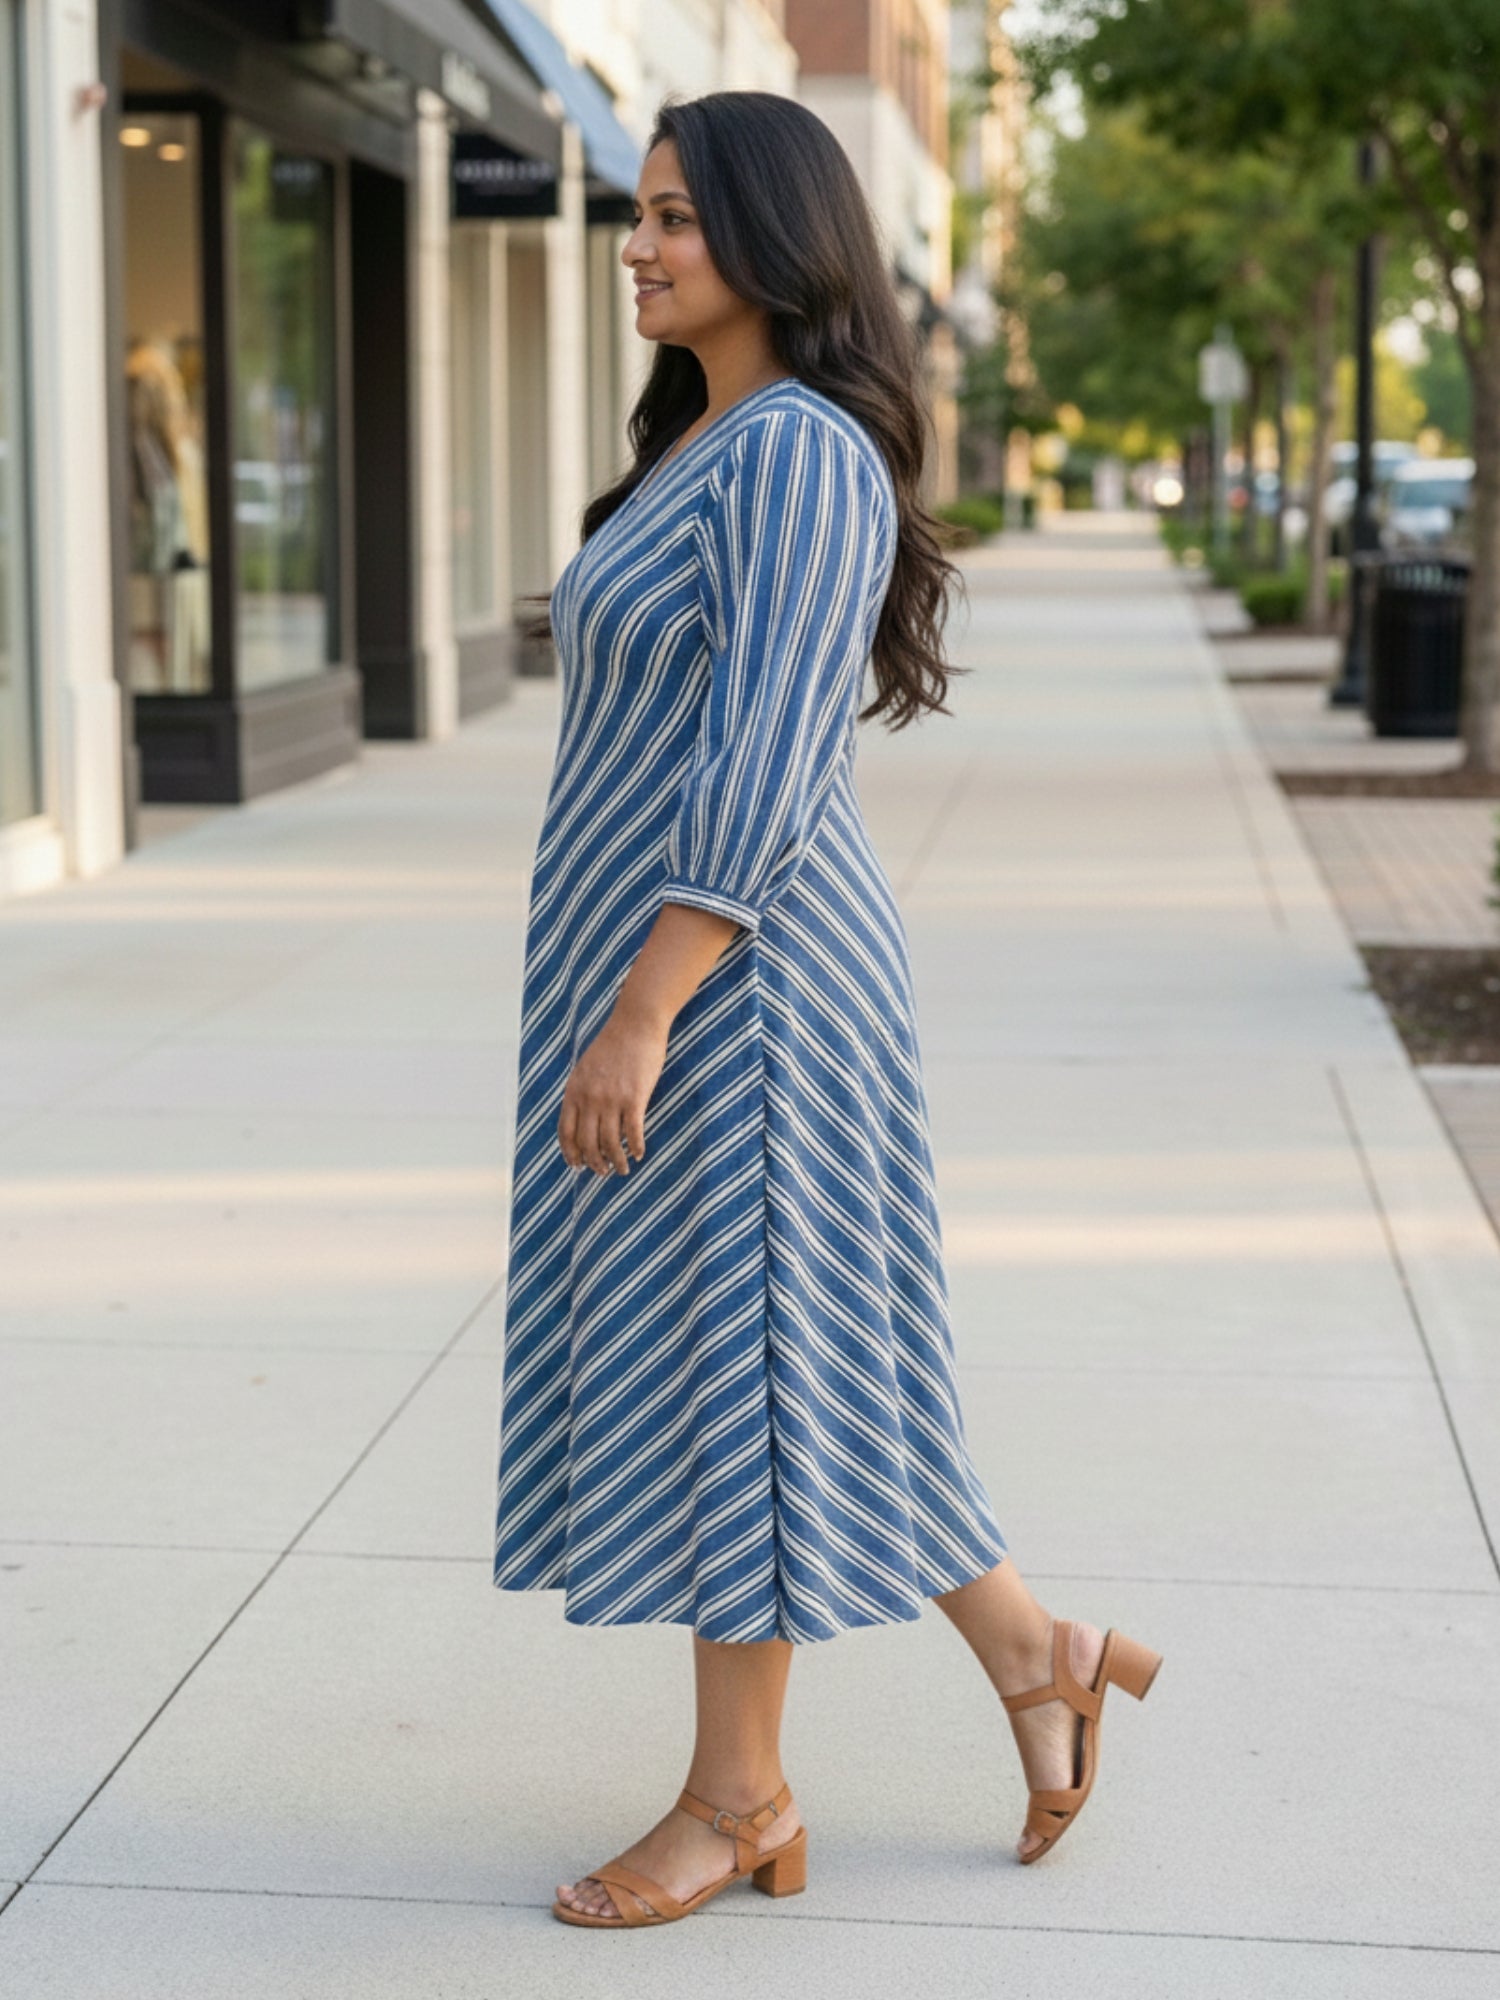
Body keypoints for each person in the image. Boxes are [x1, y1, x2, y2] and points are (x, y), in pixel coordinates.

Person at [491, 89, 1163, 1932]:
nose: (641, 243)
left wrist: (644, 1011)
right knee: (812, 1362)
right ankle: (1043, 1655)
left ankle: (743, 1797)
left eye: (681, 216)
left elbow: (769, 753)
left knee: (753, 1374)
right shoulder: (710, 444)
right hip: (682, 971)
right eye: (640, 213)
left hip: (744, 991)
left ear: (782, 240)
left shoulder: (794, 454)